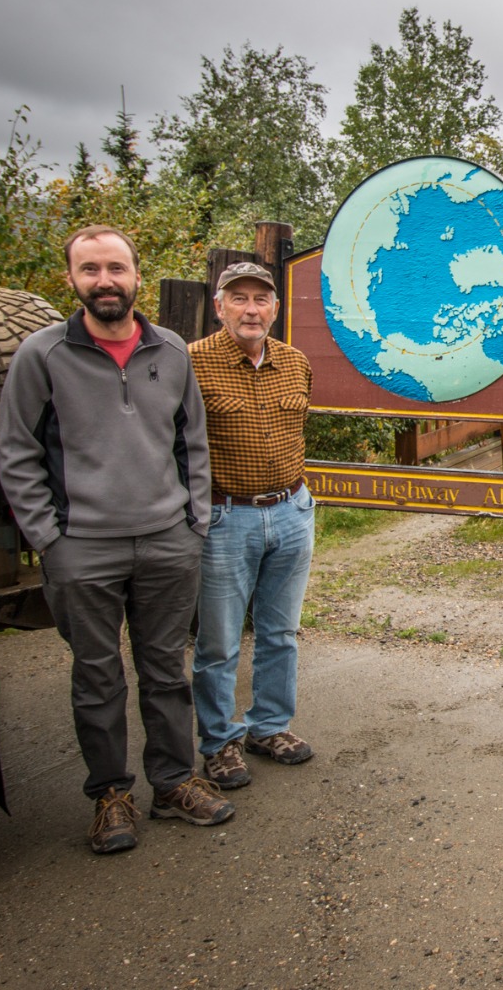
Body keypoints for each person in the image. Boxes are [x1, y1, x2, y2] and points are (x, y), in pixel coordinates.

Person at [0, 225, 234, 854]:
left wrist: (195, 523)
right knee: (97, 677)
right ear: (72, 279)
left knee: (165, 670)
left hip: (167, 542)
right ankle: (111, 795)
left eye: (116, 268)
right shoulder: (41, 356)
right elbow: (17, 453)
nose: (105, 281)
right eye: (90, 270)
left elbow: (193, 445)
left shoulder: (172, 353)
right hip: (83, 549)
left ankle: (174, 782)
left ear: (135, 274)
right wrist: (50, 538)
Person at [189, 263, 316, 790]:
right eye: (238, 298)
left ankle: (269, 726)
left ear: (275, 309)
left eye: (260, 300)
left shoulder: (295, 362)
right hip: (225, 517)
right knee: (218, 644)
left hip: (291, 510)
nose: (250, 309)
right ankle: (219, 743)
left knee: (280, 632)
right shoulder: (190, 363)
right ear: (219, 306)